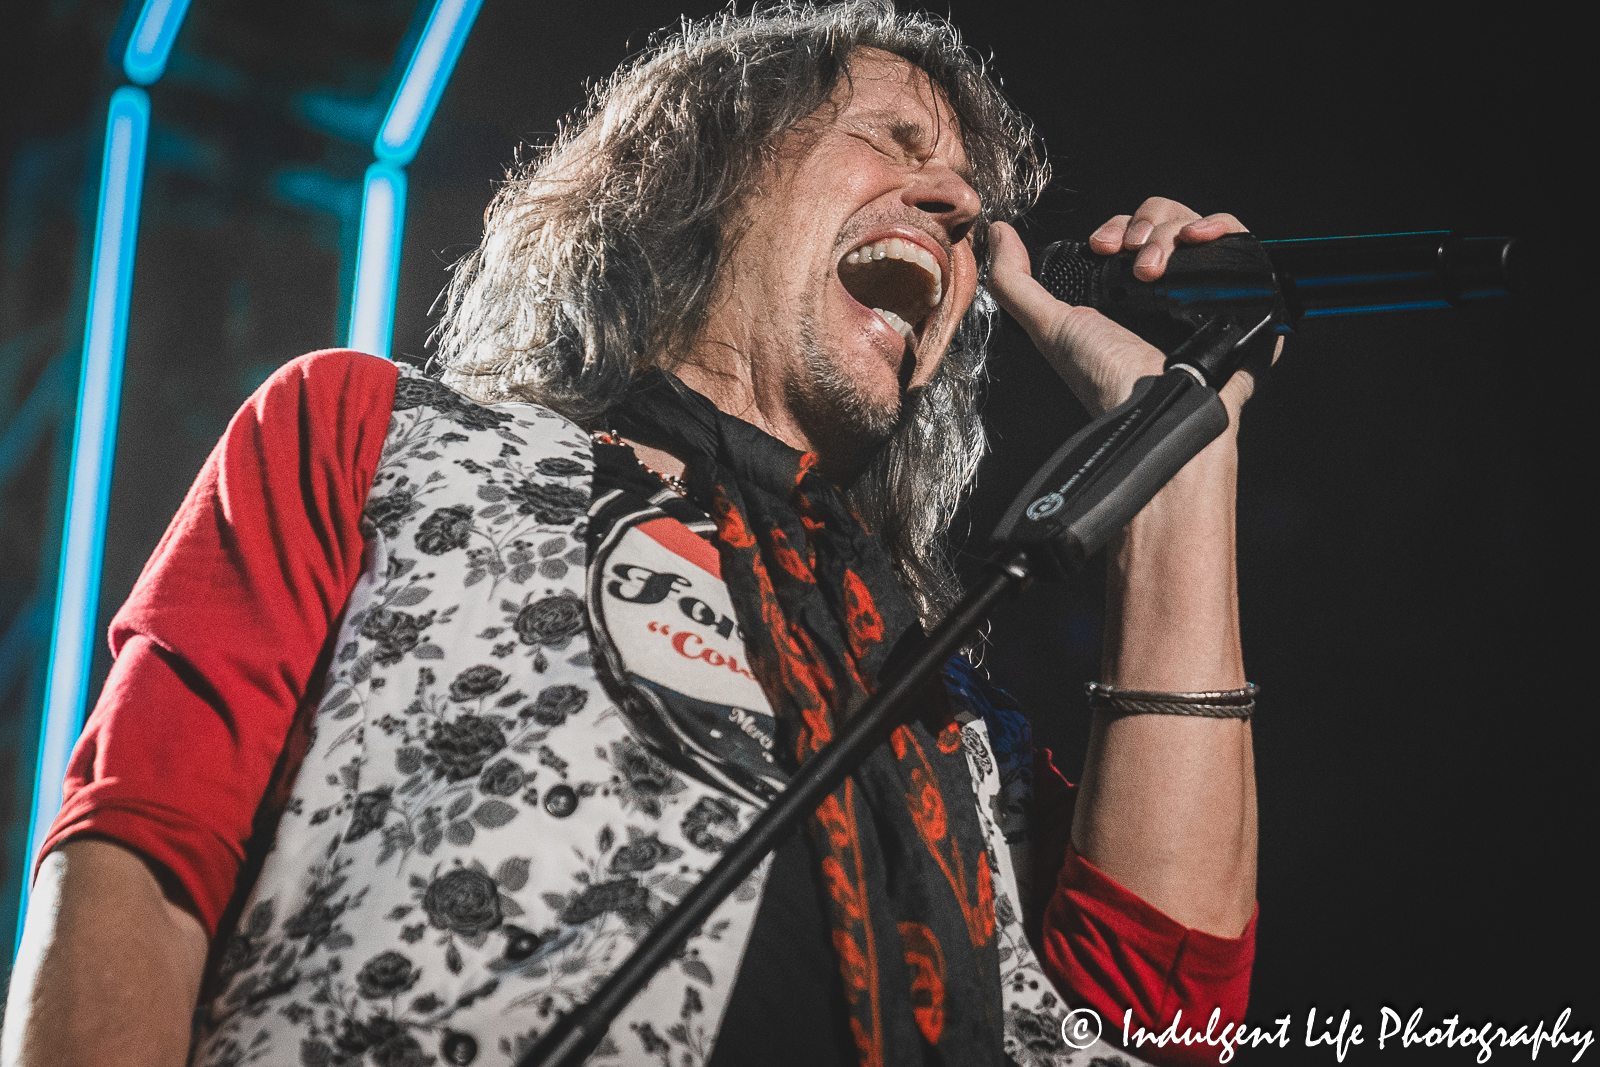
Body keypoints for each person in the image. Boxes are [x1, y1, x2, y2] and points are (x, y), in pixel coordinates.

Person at [3, 4, 1262, 1065]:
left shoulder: (942, 689)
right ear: (705, 170)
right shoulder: (367, 429)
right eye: (891, 139)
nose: (952, 205)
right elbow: (142, 861)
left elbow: (1160, 1018)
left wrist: (1179, 443)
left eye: (970, 204)